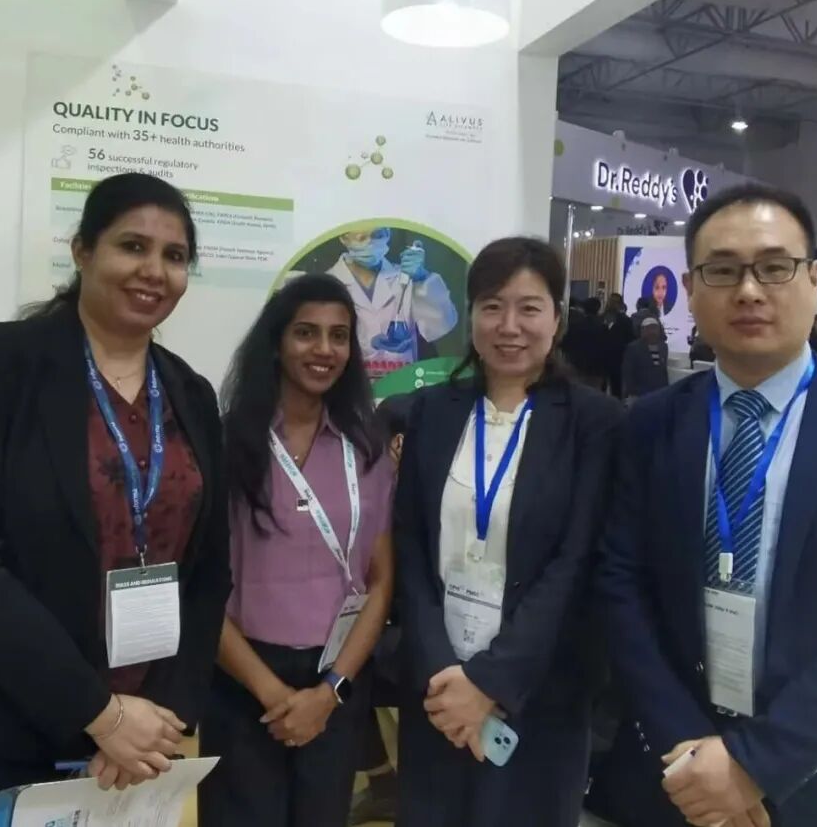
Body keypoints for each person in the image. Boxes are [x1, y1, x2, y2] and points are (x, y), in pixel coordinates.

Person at [598, 183, 817, 827]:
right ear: (690, 288)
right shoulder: (651, 423)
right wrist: (691, 752)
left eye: (775, 266)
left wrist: (755, 764)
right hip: (679, 778)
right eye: (723, 270)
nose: (749, 290)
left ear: (814, 279)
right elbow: (622, 583)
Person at [0, 173, 232, 825]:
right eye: (132, 246)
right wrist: (100, 714)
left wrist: (162, 717)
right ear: (82, 250)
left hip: (139, 739)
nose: (154, 270)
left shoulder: (191, 393)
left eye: (173, 256)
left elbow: (209, 573)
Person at [395, 237, 621, 827]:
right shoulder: (433, 411)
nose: (509, 326)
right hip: (439, 688)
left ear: (557, 319)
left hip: (539, 691)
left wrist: (490, 682)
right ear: (471, 316)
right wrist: (442, 670)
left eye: (529, 308)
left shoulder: (595, 423)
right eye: (492, 306)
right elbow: (410, 547)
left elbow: (575, 563)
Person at [198, 274, 395, 827]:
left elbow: (381, 580)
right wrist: (272, 693)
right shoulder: (226, 443)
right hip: (243, 680)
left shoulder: (367, 448)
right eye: (306, 332)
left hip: (337, 678)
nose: (324, 349)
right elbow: (201, 586)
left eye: (339, 335)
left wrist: (329, 692)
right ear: (277, 342)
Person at [349, 392, 415, 826]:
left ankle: (385, 783)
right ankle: (384, 783)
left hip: (412, 636)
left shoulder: (397, 494)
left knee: (342, 674)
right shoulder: (376, 491)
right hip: (399, 627)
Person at [326, 227, 458, 378]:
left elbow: (441, 325)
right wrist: (368, 344)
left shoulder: (406, 278)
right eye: (362, 237)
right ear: (343, 238)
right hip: (349, 383)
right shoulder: (328, 284)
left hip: (401, 383)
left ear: (388, 234)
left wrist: (422, 278)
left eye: (378, 236)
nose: (370, 243)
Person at [622, 317, 670, 399]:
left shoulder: (663, 347)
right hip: (639, 393)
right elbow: (628, 371)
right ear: (642, 331)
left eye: (654, 328)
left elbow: (663, 370)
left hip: (660, 392)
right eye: (648, 328)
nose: (652, 332)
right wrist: (632, 391)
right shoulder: (633, 347)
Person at [605, 295, 635, 398]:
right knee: (616, 387)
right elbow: (631, 339)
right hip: (618, 357)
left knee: (604, 387)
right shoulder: (626, 320)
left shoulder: (602, 318)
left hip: (604, 357)